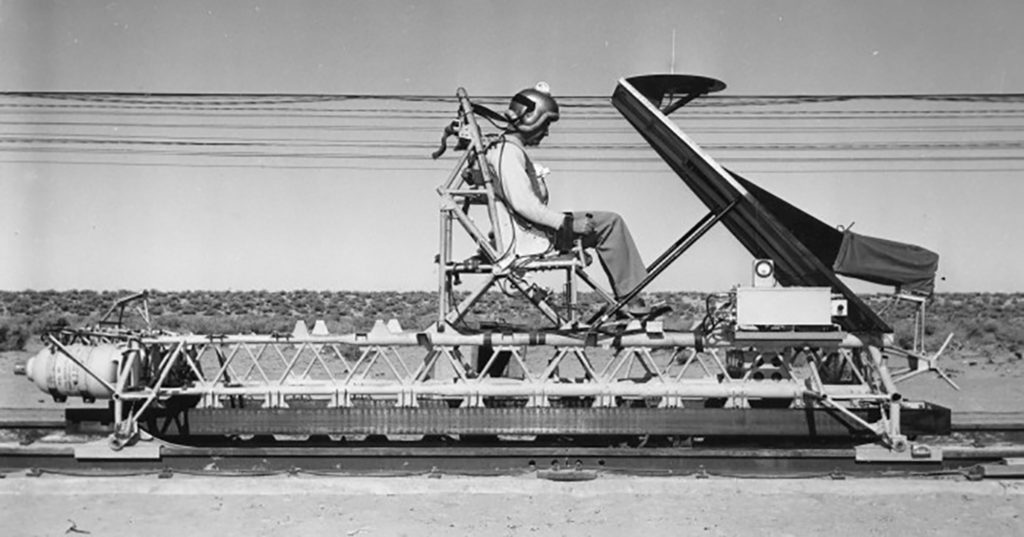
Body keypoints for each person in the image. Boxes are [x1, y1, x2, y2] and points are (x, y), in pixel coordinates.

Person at [484, 82, 650, 307]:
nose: (546, 132)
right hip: (530, 235)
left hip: (527, 230)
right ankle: (632, 300)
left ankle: (629, 298)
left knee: (606, 222)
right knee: (610, 223)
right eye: (546, 124)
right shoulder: (509, 152)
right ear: (530, 118)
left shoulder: (504, 149)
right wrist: (568, 223)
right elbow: (524, 205)